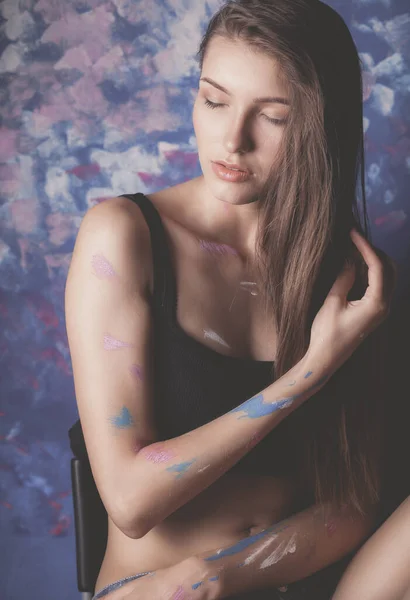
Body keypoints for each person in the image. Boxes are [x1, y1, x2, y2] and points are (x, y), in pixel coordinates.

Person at [65, 0, 397, 598]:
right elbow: (131, 502)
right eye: (214, 100)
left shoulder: (345, 274)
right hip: (160, 590)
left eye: (272, 116)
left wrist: (222, 574)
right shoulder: (125, 237)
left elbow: (352, 500)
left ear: (322, 126)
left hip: (276, 581)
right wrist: (308, 373)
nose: (231, 140)